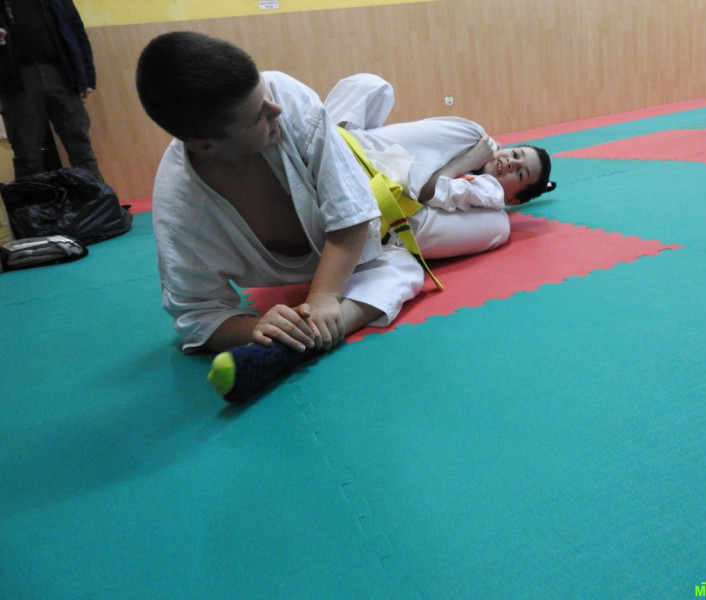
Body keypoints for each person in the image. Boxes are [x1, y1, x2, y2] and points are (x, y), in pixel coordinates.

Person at [136, 32, 426, 403]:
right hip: (359, 235)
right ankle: (310, 335)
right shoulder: (181, 205)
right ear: (205, 145)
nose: (275, 110)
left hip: (381, 192)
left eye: (265, 94)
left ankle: (481, 157)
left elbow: (354, 213)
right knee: (400, 270)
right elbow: (195, 315)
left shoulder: (286, 96)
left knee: (465, 221)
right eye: (257, 116)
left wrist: (324, 297)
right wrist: (257, 328)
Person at [324, 73, 555, 260]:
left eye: (519, 173)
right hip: (352, 149)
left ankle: (333, 149)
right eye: (515, 154)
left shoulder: (489, 195)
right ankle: (332, 143)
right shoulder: (474, 139)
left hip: (374, 190)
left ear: (513, 200)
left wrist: (470, 160)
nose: (511, 162)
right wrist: (485, 150)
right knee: (373, 85)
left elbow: (429, 191)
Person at [0, 0, 104, 182]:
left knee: (81, 147)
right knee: (27, 154)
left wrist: (87, 76)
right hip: (16, 80)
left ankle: (97, 199)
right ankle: (31, 201)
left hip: (61, 73)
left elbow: (76, 30)